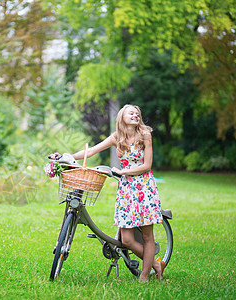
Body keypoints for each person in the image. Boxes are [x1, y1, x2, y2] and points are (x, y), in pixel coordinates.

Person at [71, 104, 165, 282]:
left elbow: (147, 166)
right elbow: (90, 151)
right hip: (126, 191)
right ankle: (156, 264)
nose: (136, 115)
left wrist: (123, 172)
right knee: (127, 240)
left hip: (144, 188)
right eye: (131, 113)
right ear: (122, 116)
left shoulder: (145, 135)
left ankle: (144, 276)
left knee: (147, 236)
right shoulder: (117, 137)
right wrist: (66, 156)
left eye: (137, 114)